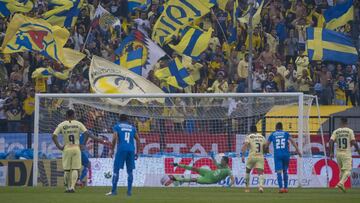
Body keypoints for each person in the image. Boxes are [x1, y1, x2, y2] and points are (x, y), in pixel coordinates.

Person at [52, 109, 91, 193]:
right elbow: (87, 133)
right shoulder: (78, 124)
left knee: (66, 170)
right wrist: (83, 144)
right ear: (74, 115)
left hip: (66, 148)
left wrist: (59, 146)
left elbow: (54, 136)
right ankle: (72, 187)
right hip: (76, 148)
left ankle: (67, 188)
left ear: (66, 115)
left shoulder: (62, 124)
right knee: (75, 169)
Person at [107, 114, 140, 196]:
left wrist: (112, 150)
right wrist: (137, 152)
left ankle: (114, 191)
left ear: (119, 119)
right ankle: (129, 192)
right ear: (127, 119)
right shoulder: (132, 128)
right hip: (131, 150)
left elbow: (114, 138)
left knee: (116, 170)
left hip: (121, 149)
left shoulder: (117, 126)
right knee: (130, 171)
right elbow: (138, 140)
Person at [265, 122, 301, 193]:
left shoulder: (273, 134)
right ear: (282, 128)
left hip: (277, 155)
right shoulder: (286, 133)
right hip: (286, 154)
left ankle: (281, 188)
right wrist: (298, 151)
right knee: (285, 171)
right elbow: (293, 142)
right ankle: (286, 188)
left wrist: (266, 150)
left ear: (276, 128)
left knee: (279, 172)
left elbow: (266, 145)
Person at [329, 117, 360, 192]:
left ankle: (340, 188)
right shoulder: (349, 131)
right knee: (348, 170)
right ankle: (340, 183)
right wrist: (358, 150)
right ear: (346, 123)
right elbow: (353, 142)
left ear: (341, 123)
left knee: (342, 171)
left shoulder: (336, 131)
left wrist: (331, 152)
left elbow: (331, 141)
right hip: (346, 153)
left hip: (338, 154)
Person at [168, 154, 234, 187]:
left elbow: (233, 180)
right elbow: (215, 163)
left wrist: (228, 186)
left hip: (210, 180)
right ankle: (176, 164)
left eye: (222, 160)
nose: (221, 161)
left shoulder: (228, 170)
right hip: (209, 173)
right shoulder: (221, 165)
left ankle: (176, 179)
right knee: (195, 168)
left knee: (194, 179)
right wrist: (212, 157)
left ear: (225, 162)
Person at [241, 125, 266, 193]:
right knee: (260, 173)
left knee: (247, 171)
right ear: (257, 130)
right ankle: (261, 187)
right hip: (260, 156)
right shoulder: (262, 137)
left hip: (252, 156)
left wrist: (243, 155)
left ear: (250, 130)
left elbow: (245, 145)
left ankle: (247, 188)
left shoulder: (249, 136)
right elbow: (265, 147)